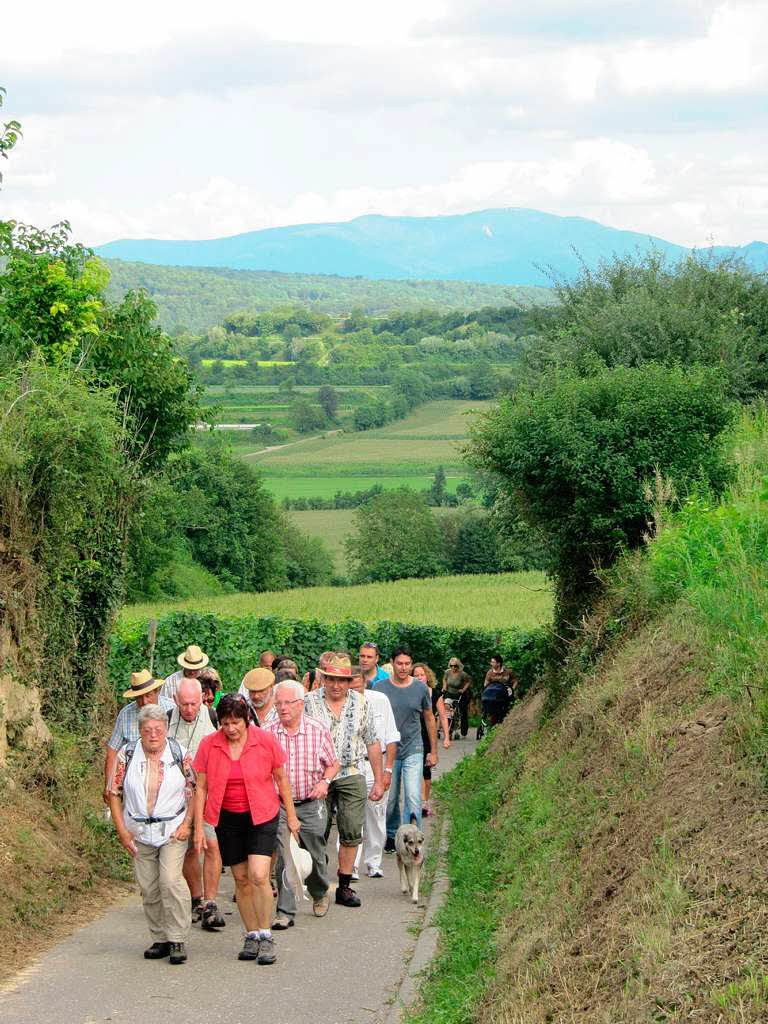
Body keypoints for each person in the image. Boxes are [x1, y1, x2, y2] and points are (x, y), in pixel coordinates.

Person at [193, 694, 299, 965]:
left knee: (259, 875)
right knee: (240, 879)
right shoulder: (209, 745)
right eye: (226, 723)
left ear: (247, 720)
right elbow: (201, 787)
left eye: (236, 723)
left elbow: (281, 780)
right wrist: (197, 828)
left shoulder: (264, 741)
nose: (231, 729)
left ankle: (266, 936)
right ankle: (251, 934)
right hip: (227, 818)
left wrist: (293, 817)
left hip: (262, 814)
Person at [108, 704, 196, 965]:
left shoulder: (179, 753)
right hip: (138, 831)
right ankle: (160, 938)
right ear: (140, 731)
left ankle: (178, 937)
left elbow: (195, 789)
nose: (153, 734)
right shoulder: (128, 753)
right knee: (148, 886)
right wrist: (122, 831)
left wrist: (187, 824)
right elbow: (114, 793)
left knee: (169, 881)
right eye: (148, 730)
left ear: (166, 730)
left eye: (158, 729)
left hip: (172, 829)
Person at [304, 654, 384, 907]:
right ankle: (317, 881)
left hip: (351, 771)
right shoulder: (308, 703)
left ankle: (345, 886)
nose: (336, 685)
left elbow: (372, 741)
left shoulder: (362, 704)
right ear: (323, 679)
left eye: (342, 680)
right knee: (317, 829)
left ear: (350, 681)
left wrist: (379, 780)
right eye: (331, 679)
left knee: (351, 829)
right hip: (318, 775)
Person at [265, 680, 340, 928]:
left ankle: (319, 892)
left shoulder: (317, 729)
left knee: (316, 852)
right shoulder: (268, 731)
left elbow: (333, 762)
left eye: (288, 703)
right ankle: (285, 912)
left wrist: (325, 782)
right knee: (286, 854)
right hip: (280, 805)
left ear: (301, 704)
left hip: (311, 802)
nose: (283, 708)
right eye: (279, 703)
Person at [168, 678, 223, 930]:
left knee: (210, 844)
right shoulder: (168, 719)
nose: (189, 709)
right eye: (184, 704)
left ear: (202, 698)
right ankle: (196, 899)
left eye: (194, 703)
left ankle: (211, 902)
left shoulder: (213, 716)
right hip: (179, 798)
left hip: (209, 793)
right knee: (190, 848)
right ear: (176, 701)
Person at [374, 647, 437, 851]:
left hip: (414, 748)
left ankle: (415, 837)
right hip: (389, 751)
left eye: (407, 664)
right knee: (390, 799)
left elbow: (429, 718)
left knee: (412, 796)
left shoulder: (419, 689)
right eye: (399, 663)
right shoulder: (380, 688)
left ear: (412, 664)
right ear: (392, 663)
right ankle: (393, 836)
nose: (403, 668)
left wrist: (433, 751)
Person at [349, 666, 399, 878]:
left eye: (357, 683)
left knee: (377, 815)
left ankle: (374, 863)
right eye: (349, 684)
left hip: (377, 763)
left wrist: (387, 770)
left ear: (364, 682)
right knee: (350, 817)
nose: (354, 687)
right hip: (352, 765)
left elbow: (391, 736)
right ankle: (350, 865)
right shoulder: (341, 706)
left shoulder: (380, 700)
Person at [104, 670, 174, 804]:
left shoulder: (172, 709)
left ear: (157, 691)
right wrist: (109, 784)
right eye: (139, 697)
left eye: (149, 695)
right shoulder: (126, 715)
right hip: (133, 785)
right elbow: (112, 750)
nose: (144, 701)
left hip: (167, 783)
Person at [412, 663, 450, 818]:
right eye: (416, 675)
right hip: (413, 735)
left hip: (428, 735)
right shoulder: (409, 692)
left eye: (422, 674)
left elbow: (442, 716)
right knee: (416, 770)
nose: (419, 677)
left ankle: (425, 802)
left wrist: (446, 737)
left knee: (426, 772)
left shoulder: (435, 694)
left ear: (427, 676)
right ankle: (418, 803)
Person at [442, 657, 472, 739]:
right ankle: (449, 731)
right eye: (451, 666)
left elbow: (468, 681)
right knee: (448, 710)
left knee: (463, 712)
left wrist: (463, 689)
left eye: (455, 666)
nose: (453, 668)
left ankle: (464, 731)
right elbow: (444, 679)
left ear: (458, 666)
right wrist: (444, 687)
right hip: (449, 694)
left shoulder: (463, 674)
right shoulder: (447, 672)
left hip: (460, 695)